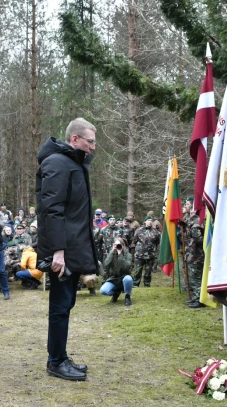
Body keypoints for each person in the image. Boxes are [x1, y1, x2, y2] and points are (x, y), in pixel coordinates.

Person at [36, 117, 98, 381]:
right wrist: (58, 252)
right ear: (75, 139)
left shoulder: (72, 163)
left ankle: (60, 356)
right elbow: (52, 210)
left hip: (72, 248)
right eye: (90, 141)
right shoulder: (57, 164)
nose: (93, 147)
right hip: (61, 252)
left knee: (66, 304)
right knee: (60, 306)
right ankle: (55, 362)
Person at [100, 237, 133, 306]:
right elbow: (105, 265)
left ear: (123, 246)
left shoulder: (128, 255)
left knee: (128, 279)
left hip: (124, 276)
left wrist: (120, 254)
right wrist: (112, 252)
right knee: (103, 291)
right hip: (114, 278)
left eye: (120, 245)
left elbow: (126, 267)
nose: (118, 247)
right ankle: (116, 292)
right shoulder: (111, 254)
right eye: (116, 245)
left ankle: (127, 297)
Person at [132, 216, 160, 288]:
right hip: (139, 255)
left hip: (150, 255)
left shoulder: (156, 231)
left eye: (151, 220)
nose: (150, 221)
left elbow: (157, 242)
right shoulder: (139, 230)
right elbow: (134, 241)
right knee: (138, 271)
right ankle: (135, 284)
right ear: (145, 221)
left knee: (148, 272)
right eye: (148, 220)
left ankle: (147, 285)